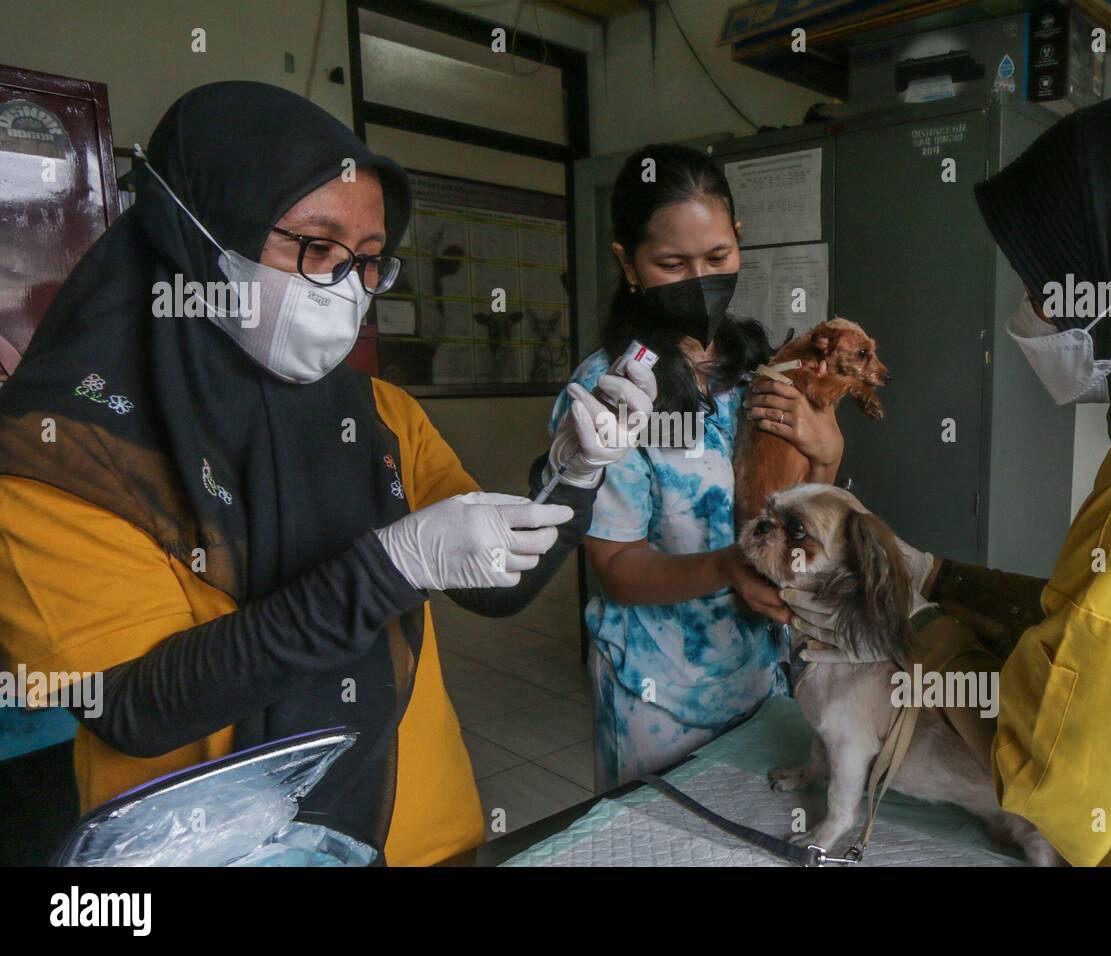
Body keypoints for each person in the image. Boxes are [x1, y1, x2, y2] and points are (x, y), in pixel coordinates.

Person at [0, 81, 652, 866]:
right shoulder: (67, 452)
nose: (344, 288)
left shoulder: (379, 414)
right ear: (197, 232)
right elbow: (136, 706)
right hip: (210, 850)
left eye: (369, 261)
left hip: (421, 831)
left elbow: (497, 585)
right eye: (314, 247)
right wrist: (391, 566)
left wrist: (573, 476)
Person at [786, 88, 1111, 865]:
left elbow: (1050, 778)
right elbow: (1110, 624)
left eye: (1043, 285)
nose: (1028, 314)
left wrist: (918, 626)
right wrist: (947, 577)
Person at [550, 144, 844, 791]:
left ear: (739, 241)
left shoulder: (760, 366)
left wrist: (828, 449)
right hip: (659, 695)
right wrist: (729, 569)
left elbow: (799, 497)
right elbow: (616, 569)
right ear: (629, 262)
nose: (701, 279)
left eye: (717, 258)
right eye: (672, 263)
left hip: (763, 674)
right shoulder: (608, 394)